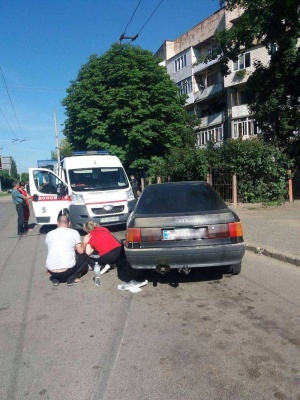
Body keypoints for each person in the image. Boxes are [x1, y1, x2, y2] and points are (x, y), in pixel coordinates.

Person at [45, 214, 90, 286]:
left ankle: (55, 279)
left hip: (51, 270)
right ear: (69, 224)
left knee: (55, 255)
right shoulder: (74, 232)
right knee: (84, 256)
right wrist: (84, 242)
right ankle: (71, 278)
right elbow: (80, 251)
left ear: (57, 223)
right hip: (66, 271)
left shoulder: (49, 234)